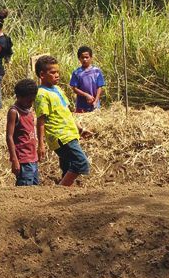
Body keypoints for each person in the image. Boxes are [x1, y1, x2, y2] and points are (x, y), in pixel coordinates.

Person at [35, 55, 91, 186]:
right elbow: (41, 120)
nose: (57, 75)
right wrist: (41, 144)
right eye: (53, 72)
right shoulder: (41, 94)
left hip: (70, 133)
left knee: (68, 167)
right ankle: (60, 189)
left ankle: (64, 197)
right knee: (81, 163)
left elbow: (67, 113)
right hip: (60, 136)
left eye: (57, 72)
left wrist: (80, 129)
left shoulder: (57, 89)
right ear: (42, 75)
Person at [7, 78, 40, 186]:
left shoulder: (28, 111)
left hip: (32, 158)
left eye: (32, 100)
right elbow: (9, 137)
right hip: (23, 159)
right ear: (19, 97)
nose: (31, 103)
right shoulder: (14, 112)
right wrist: (14, 159)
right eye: (28, 100)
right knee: (25, 188)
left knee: (34, 188)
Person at [69, 45, 106, 113]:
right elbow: (74, 88)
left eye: (87, 57)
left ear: (91, 58)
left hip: (94, 104)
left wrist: (96, 100)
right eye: (82, 57)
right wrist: (86, 95)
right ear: (79, 58)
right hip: (81, 105)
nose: (85, 59)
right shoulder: (76, 73)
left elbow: (99, 87)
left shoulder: (96, 71)